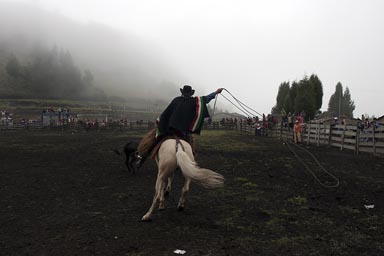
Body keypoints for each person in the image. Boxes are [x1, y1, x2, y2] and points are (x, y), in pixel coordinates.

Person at [136, 85, 223, 165]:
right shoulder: (193, 101)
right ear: (191, 93)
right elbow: (205, 99)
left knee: (153, 139)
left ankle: (142, 155)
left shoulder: (176, 100)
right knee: (191, 144)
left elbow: (167, 112)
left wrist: (160, 121)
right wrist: (216, 92)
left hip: (169, 129)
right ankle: (191, 160)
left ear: (182, 92)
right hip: (183, 131)